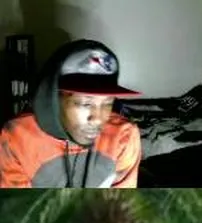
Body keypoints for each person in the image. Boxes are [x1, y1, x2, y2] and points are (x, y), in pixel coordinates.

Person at [0, 40, 142, 188]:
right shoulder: (16, 138)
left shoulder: (123, 136)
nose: (98, 118)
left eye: (107, 103)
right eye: (85, 103)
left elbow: (123, 200)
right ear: (53, 98)